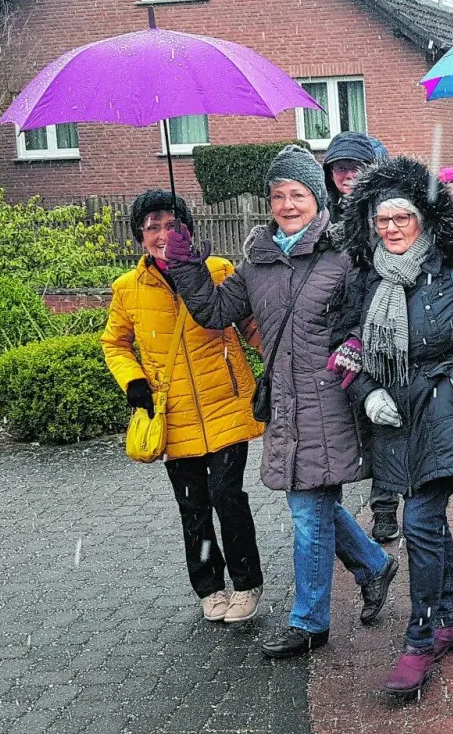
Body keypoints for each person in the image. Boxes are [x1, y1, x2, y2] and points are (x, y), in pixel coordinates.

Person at [163, 147, 398, 660]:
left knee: (307, 512)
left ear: (317, 199)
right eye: (277, 196)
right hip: (286, 406)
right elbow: (214, 311)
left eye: (298, 194)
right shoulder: (257, 264)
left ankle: (310, 621)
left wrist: (356, 348)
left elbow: (369, 316)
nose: (287, 204)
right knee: (314, 505)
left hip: (332, 401)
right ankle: (375, 568)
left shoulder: (343, 257)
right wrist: (186, 266)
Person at [341, 156, 453, 696]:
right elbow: (345, 346)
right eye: (383, 220)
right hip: (394, 417)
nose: (392, 229)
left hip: (447, 409)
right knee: (429, 524)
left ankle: (420, 636)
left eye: (402, 218)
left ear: (424, 218)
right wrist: (365, 391)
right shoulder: (366, 278)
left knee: (419, 522)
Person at [101, 191, 266, 627]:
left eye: (171, 223)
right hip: (172, 416)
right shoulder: (127, 290)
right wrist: (132, 380)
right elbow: (114, 344)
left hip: (226, 403)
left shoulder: (217, 271)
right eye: (151, 225)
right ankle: (210, 587)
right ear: (140, 235)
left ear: (187, 229)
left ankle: (247, 583)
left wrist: (279, 358)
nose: (161, 233)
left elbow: (248, 323)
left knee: (227, 496)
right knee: (193, 506)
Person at [321, 132, 404, 544]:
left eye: (355, 167)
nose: (347, 175)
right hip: (337, 336)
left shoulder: (384, 213)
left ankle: (385, 506)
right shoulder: (323, 220)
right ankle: (332, 510)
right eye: (339, 168)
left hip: (382, 331)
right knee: (343, 422)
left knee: (382, 421)